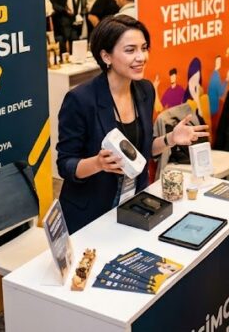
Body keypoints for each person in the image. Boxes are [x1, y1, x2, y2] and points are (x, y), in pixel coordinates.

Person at [56, 16, 207, 233]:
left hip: (133, 202)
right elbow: (65, 165)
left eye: (144, 48)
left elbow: (141, 151)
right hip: (91, 212)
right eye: (130, 50)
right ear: (106, 56)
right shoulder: (81, 100)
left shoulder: (144, 90)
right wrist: (97, 163)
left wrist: (170, 139)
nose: (141, 57)